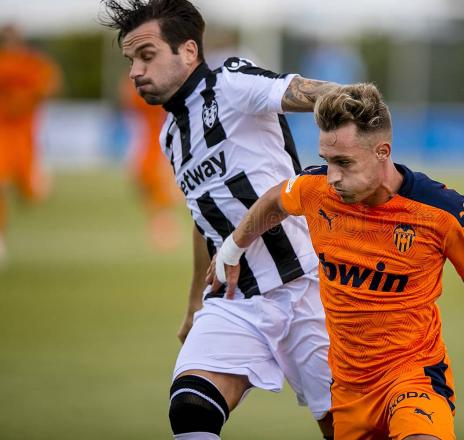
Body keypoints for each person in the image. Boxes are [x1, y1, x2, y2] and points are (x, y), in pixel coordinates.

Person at [210, 83, 464, 440]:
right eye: (327, 161)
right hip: (349, 390)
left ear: (382, 152)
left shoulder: (440, 210)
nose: (332, 176)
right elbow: (275, 200)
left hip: (414, 376)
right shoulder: (314, 189)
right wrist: (233, 248)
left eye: (344, 163)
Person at [100, 0, 340, 438]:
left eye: (146, 56)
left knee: (345, 428)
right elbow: (203, 216)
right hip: (237, 300)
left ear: (189, 51)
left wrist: (353, 108)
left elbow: (311, 92)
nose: (135, 71)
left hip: (309, 285)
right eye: (131, 60)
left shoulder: (230, 81)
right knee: (191, 408)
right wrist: (194, 300)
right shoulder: (170, 135)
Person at [0, 24, 60, 263]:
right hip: (3, 134)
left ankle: (40, 181)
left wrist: (31, 98)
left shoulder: (31, 64)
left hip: (25, 136)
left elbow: (51, 82)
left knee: (31, 195)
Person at [120, 77, 182, 251]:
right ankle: (162, 231)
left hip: (144, 152)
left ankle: (161, 229)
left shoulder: (137, 91)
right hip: (152, 152)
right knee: (160, 197)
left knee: (157, 197)